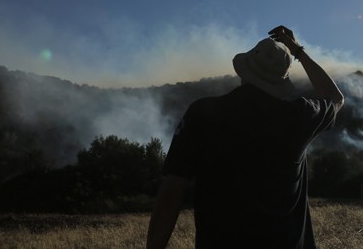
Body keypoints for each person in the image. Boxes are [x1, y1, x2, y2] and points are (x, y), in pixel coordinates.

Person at [147, 25, 345, 249]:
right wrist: (297, 50)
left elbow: (171, 191)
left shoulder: (203, 113)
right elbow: (335, 98)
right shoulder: (299, 115)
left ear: (244, 70)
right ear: (280, 80)